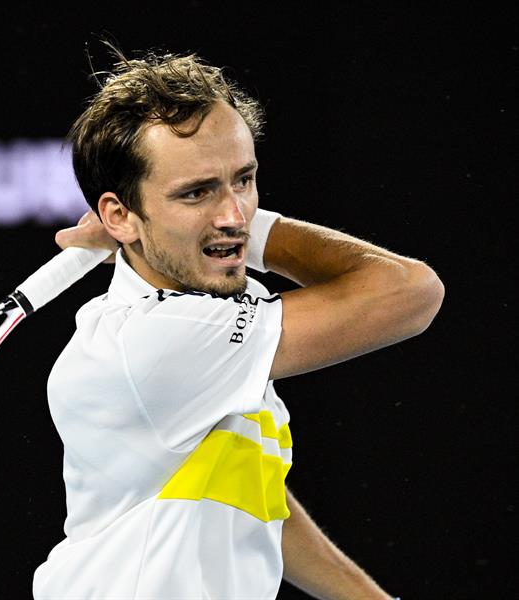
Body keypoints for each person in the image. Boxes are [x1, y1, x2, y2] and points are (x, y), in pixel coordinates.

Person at [32, 47, 444, 599]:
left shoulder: (208, 313)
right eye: (196, 192)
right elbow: (411, 292)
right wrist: (250, 233)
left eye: (243, 180)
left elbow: (244, 492)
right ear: (118, 215)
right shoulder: (159, 340)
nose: (233, 215)